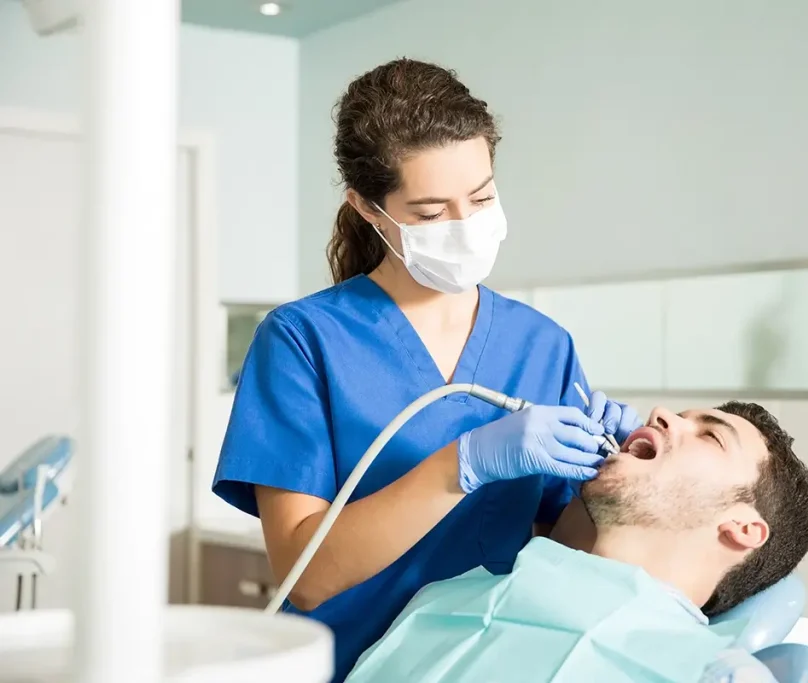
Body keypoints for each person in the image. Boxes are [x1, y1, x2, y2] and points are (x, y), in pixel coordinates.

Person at [210, 58, 643, 680]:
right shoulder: (303, 341)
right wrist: (462, 464)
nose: (467, 226)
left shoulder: (543, 344)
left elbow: (561, 548)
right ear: (367, 208)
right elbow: (303, 580)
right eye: (432, 213)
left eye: (484, 196)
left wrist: (612, 477)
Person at [344, 401, 808, 683]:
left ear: (743, 528)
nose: (660, 414)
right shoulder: (446, 601)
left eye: (712, 437)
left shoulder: (702, 673)